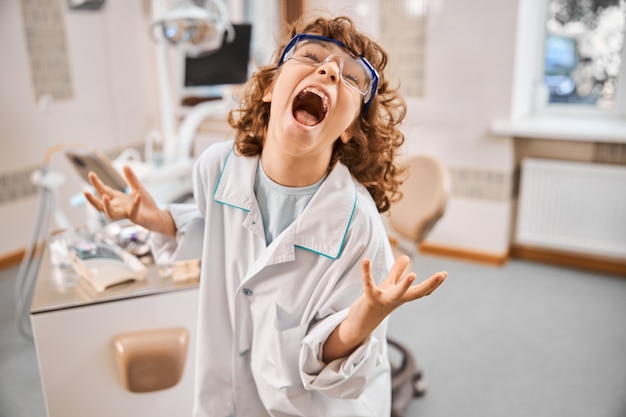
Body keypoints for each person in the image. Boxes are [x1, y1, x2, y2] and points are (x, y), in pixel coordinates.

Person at [85, 14, 447, 417]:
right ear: (271, 88)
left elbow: (333, 366)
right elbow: (218, 230)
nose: (329, 70)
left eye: (350, 78)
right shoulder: (217, 168)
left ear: (349, 128)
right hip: (227, 392)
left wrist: (362, 320)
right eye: (312, 56)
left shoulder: (358, 228)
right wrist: (161, 221)